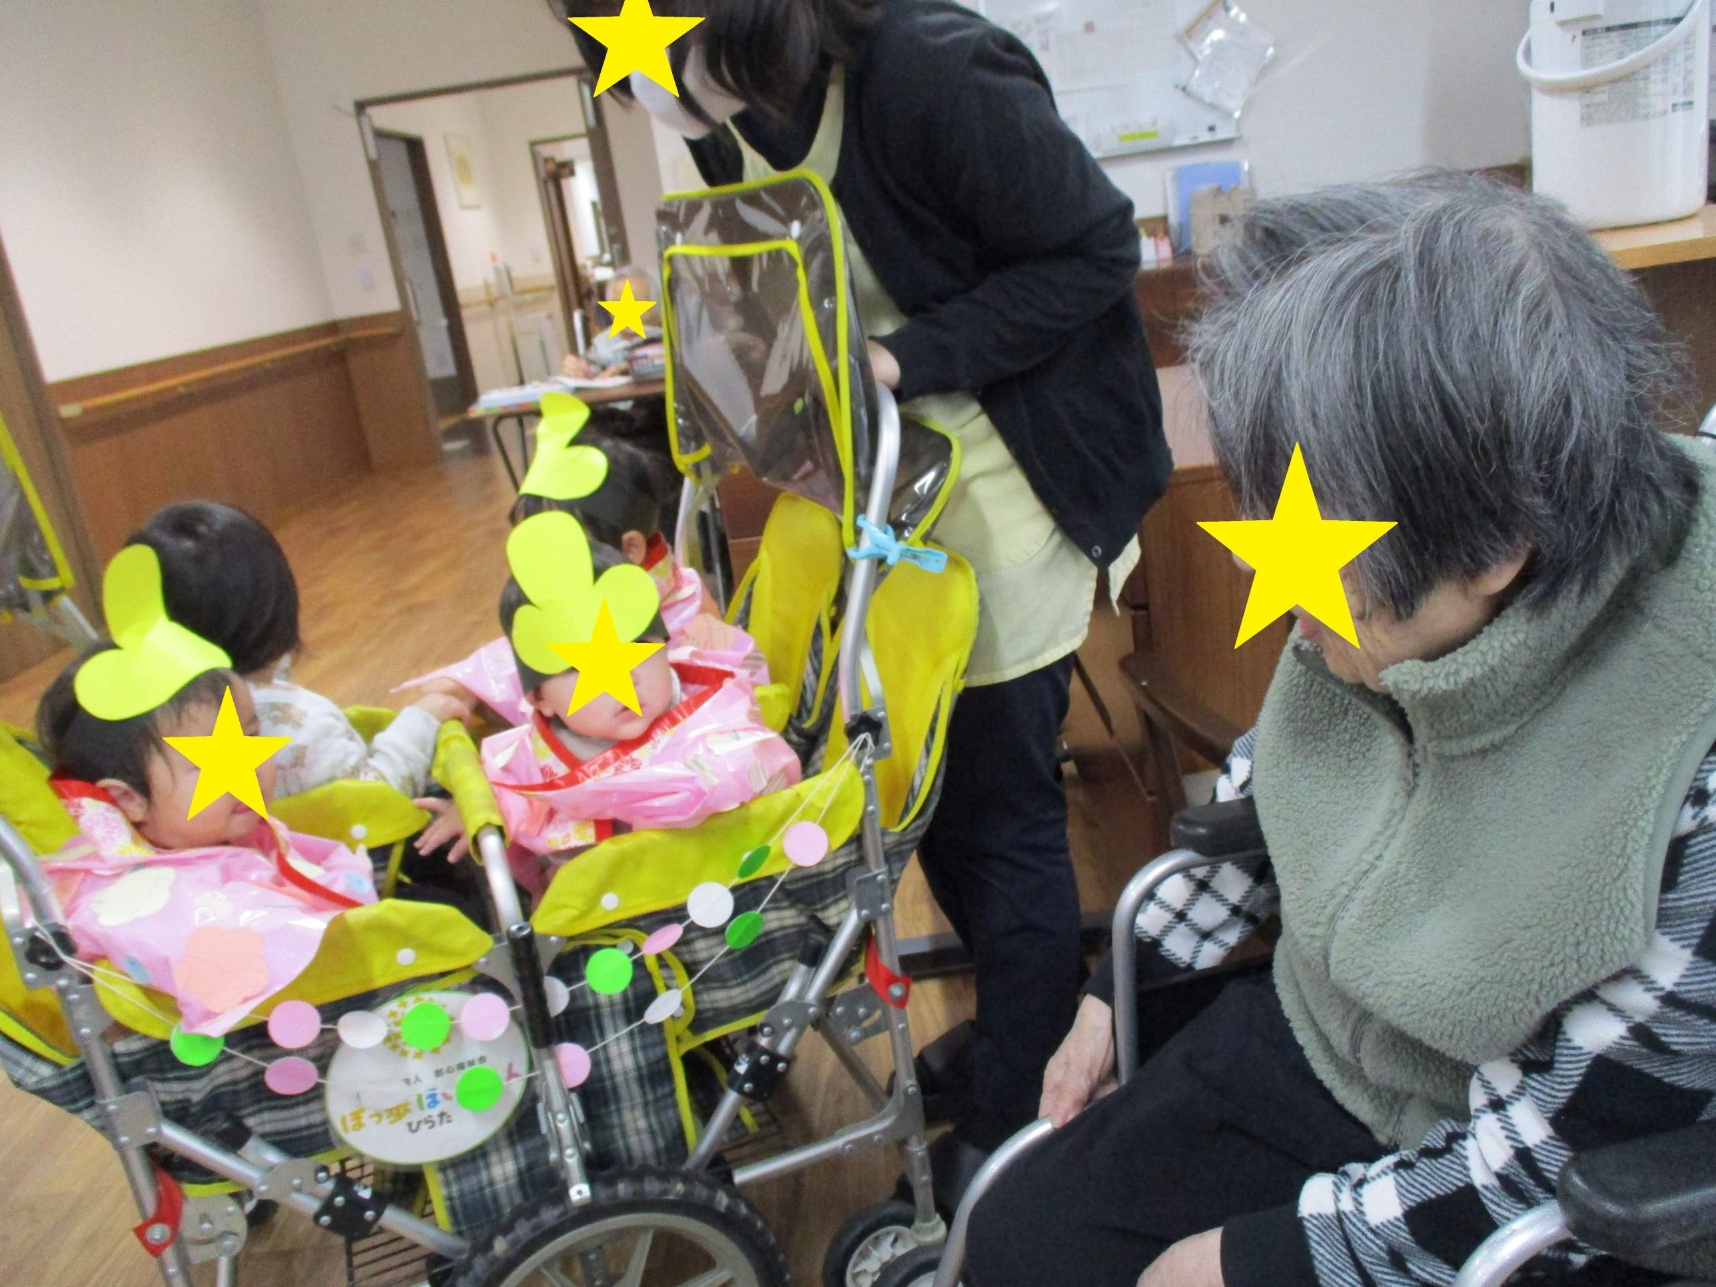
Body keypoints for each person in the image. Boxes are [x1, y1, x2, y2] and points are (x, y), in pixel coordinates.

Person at [970, 174, 1716, 1286]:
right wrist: (1117, 989)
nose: (1286, 589)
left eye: (1316, 544)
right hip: (1321, 1035)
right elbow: (1283, 778)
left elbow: (1562, 1157)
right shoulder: (1395, 591)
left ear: (1495, 548)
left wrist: (1269, 1257)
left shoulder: (1684, 756)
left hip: (1519, 1165)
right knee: (1018, 1241)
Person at [567, 0, 1174, 1186]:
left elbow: (1098, 251)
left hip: (1007, 475)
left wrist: (904, 357)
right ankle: (1019, 1038)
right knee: (915, 794)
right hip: (882, 491)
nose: (639, 80)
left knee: (999, 810)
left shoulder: (934, 74)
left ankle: (1028, 1123)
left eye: (659, 45)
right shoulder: (716, 105)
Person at [415, 513, 800, 899]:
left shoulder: (711, 703)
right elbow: (502, 788)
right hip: (610, 903)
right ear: (539, 699)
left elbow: (765, 767)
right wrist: (474, 810)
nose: (622, 681)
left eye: (637, 650)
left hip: (724, 878)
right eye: (579, 670)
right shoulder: (534, 754)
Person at [37, 644, 374, 1036]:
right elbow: (269, 963)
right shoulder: (146, 903)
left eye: (251, 736)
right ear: (128, 799)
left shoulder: (221, 833)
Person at [129, 501, 477, 799]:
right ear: (273, 606)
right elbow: (377, 795)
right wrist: (424, 719)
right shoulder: (301, 723)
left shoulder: (142, 725)